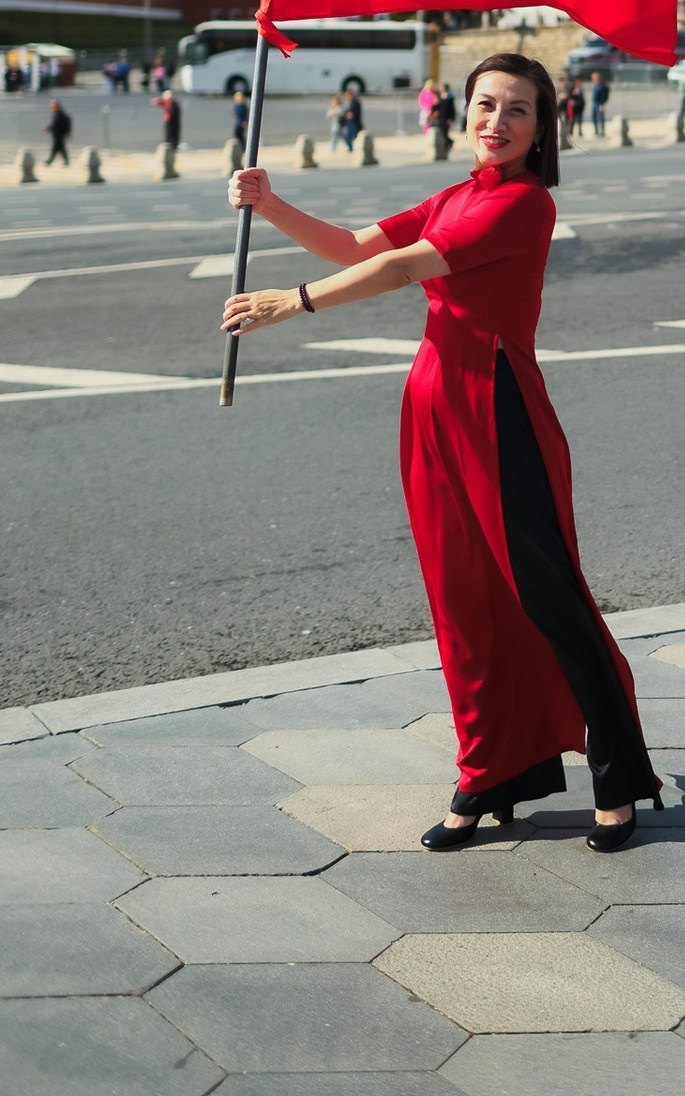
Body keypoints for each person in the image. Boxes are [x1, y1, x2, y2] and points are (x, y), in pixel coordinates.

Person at [223, 52, 662, 853]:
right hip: (430, 409)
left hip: (499, 412)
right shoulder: (458, 195)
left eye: (517, 110)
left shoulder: (526, 205)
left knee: (547, 598)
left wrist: (294, 302)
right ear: (464, 113)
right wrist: (272, 203)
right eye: (486, 105)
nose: (497, 121)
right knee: (461, 602)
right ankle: (491, 771)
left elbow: (399, 267)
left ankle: (618, 776)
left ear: (540, 131)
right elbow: (357, 244)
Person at [44, 98, 72, 166]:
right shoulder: (57, 113)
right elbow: (53, 124)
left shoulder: (60, 114)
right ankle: (66, 161)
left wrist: (68, 131)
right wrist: (48, 128)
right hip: (57, 134)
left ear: (56, 106)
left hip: (59, 134)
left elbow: (67, 120)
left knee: (56, 148)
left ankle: (50, 161)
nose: (51, 108)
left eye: (52, 106)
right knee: (60, 149)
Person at [341, 86, 363, 153]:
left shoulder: (355, 103)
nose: (346, 96)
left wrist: (349, 115)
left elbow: (355, 113)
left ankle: (353, 148)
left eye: (347, 95)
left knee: (353, 136)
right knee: (346, 136)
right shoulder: (349, 102)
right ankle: (351, 148)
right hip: (348, 123)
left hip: (353, 123)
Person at [589, 71, 610, 138]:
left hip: (600, 104)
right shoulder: (596, 85)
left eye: (593, 78)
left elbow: (605, 96)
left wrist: (602, 104)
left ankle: (602, 131)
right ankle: (596, 131)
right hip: (595, 104)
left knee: (600, 118)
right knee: (594, 118)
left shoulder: (603, 86)